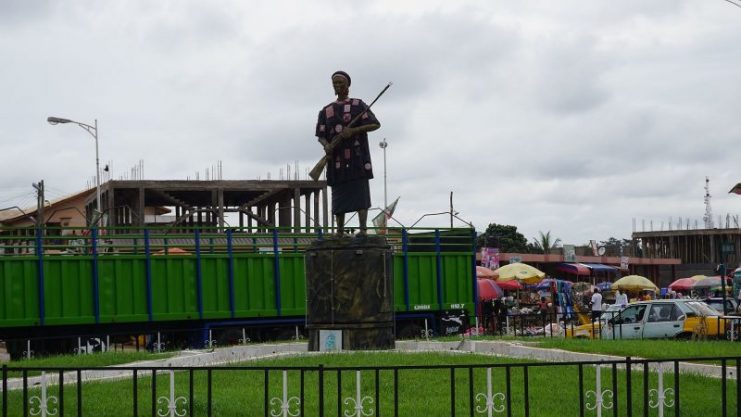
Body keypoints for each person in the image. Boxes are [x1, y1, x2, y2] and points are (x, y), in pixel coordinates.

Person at [315, 70, 381, 237]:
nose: (337, 86)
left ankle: (363, 229)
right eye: (334, 83)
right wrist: (327, 146)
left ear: (348, 85)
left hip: (357, 158)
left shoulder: (358, 105)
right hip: (336, 160)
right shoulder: (326, 110)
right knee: (339, 195)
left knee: (361, 194)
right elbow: (320, 135)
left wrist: (354, 131)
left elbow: (375, 124)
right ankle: (340, 231)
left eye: (340, 83)